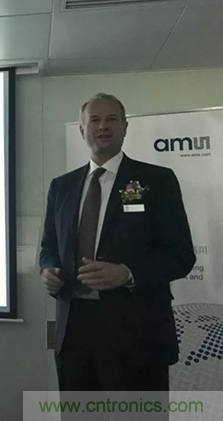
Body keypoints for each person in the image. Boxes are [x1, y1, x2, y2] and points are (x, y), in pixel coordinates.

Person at [40, 93, 195, 396]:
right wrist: (48, 270)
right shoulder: (61, 187)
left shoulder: (157, 181)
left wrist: (127, 273)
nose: (103, 126)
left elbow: (181, 255)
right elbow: (49, 247)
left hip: (138, 335)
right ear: (82, 130)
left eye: (111, 119)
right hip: (75, 333)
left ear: (125, 127)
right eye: (94, 120)